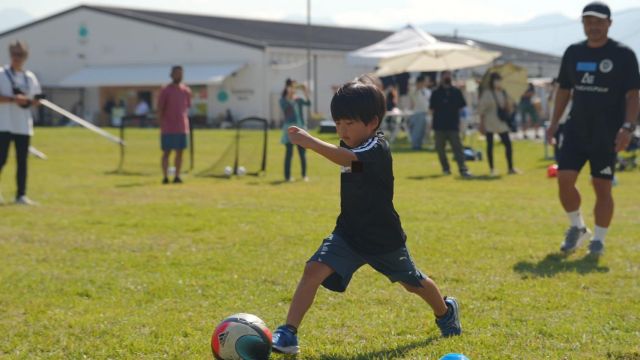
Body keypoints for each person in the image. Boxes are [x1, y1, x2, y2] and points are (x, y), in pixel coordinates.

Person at [271, 78, 461, 354]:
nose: (342, 130)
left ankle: (445, 311)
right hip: (349, 232)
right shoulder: (353, 147)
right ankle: (288, 333)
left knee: (414, 283)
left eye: (349, 123)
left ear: (372, 123)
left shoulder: (376, 148)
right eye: (338, 123)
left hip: (383, 237)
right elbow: (352, 164)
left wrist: (310, 142)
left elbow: (347, 159)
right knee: (313, 270)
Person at [546, 1, 640, 256]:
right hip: (576, 129)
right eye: (588, 21)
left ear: (609, 24)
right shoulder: (573, 52)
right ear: (583, 24)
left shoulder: (624, 54)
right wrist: (553, 123)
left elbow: (634, 95)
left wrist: (628, 128)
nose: (593, 26)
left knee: (602, 187)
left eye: (599, 21)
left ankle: (598, 239)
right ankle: (577, 227)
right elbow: (564, 90)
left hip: (607, 134)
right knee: (564, 180)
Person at [0, 40, 42, 205]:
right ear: (10, 54)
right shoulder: (2, 74)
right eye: (15, 54)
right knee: (1, 159)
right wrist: (13, 99)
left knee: (22, 161)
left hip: (23, 125)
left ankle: (21, 195)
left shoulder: (29, 77)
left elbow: (36, 96)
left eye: (21, 55)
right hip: (3, 124)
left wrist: (33, 101)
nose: (18, 58)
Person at [429, 70, 471, 177]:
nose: (447, 77)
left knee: (457, 148)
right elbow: (431, 109)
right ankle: (446, 168)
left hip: (453, 125)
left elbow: (463, 108)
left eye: (449, 75)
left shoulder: (456, 91)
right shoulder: (436, 92)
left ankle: (463, 168)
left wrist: (463, 124)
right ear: (441, 77)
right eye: (445, 75)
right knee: (440, 149)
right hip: (439, 125)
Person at [478, 73, 518, 175]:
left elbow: (510, 107)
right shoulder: (487, 93)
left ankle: (510, 168)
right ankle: (492, 169)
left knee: (508, 145)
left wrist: (508, 106)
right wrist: (481, 124)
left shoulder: (504, 93)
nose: (498, 82)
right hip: (489, 122)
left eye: (499, 80)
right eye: (496, 80)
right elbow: (481, 110)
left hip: (501, 122)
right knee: (490, 145)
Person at [157, 65, 192, 184]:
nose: (179, 75)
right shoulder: (165, 90)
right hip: (168, 127)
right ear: (171, 75)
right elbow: (160, 109)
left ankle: (177, 176)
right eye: (176, 73)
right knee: (166, 152)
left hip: (181, 127)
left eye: (181, 73)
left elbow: (187, 107)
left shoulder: (186, 90)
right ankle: (165, 177)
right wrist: (161, 124)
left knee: (180, 152)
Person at [280, 79, 310, 182]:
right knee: (289, 153)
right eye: (292, 86)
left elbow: (308, 103)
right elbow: (286, 107)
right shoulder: (283, 100)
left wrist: (305, 91)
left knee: (302, 153)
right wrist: (289, 95)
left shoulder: (298, 99)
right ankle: (287, 177)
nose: (294, 88)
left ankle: (304, 175)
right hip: (289, 128)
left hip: (300, 128)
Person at [408, 75, 432, 150]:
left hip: (426, 113)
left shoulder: (428, 91)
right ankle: (415, 145)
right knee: (417, 130)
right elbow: (413, 94)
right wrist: (418, 86)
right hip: (418, 113)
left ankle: (419, 144)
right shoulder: (414, 90)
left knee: (422, 131)